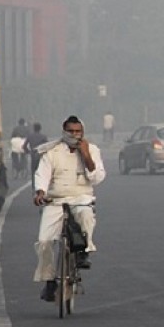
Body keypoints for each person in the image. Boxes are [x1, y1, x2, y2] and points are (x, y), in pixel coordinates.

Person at [32, 116, 106, 302]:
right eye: (70, 131)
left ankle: (83, 252)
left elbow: (97, 178)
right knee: (44, 241)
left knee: (86, 215)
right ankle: (49, 281)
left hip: (81, 197)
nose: (74, 135)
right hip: (55, 199)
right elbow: (42, 174)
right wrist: (40, 192)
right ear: (64, 132)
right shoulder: (52, 152)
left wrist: (86, 154)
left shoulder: (92, 150)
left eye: (77, 132)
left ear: (82, 132)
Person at [23, 122, 48, 189]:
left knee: (34, 172)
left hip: (33, 155)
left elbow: (24, 146)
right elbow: (47, 147)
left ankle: (34, 187)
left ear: (33, 128)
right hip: (41, 156)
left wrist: (28, 152)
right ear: (40, 129)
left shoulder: (30, 136)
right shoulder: (43, 136)